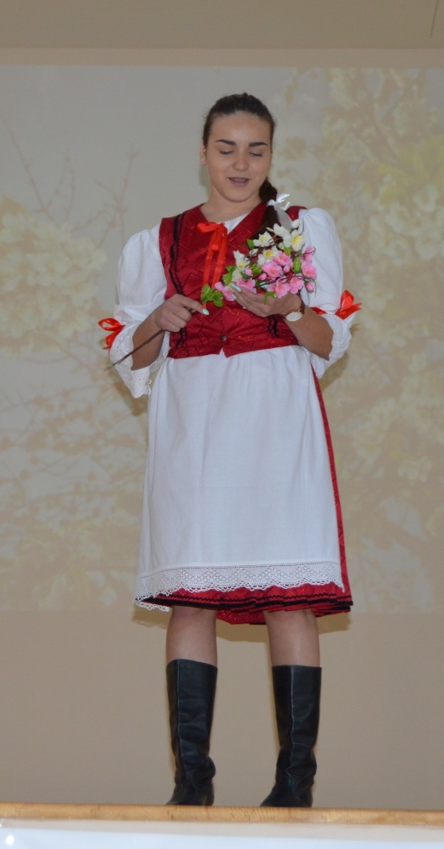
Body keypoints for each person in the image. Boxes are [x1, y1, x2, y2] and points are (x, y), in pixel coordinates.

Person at [108, 93, 355, 807]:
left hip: (274, 414)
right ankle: (193, 780)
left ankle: (295, 783)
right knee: (191, 599)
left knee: (290, 601)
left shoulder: (300, 228)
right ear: (203, 152)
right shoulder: (159, 240)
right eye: (226, 148)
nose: (241, 163)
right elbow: (132, 357)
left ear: (271, 155)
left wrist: (290, 309)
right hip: (196, 421)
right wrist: (157, 319)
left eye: (256, 150)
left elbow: (330, 341)